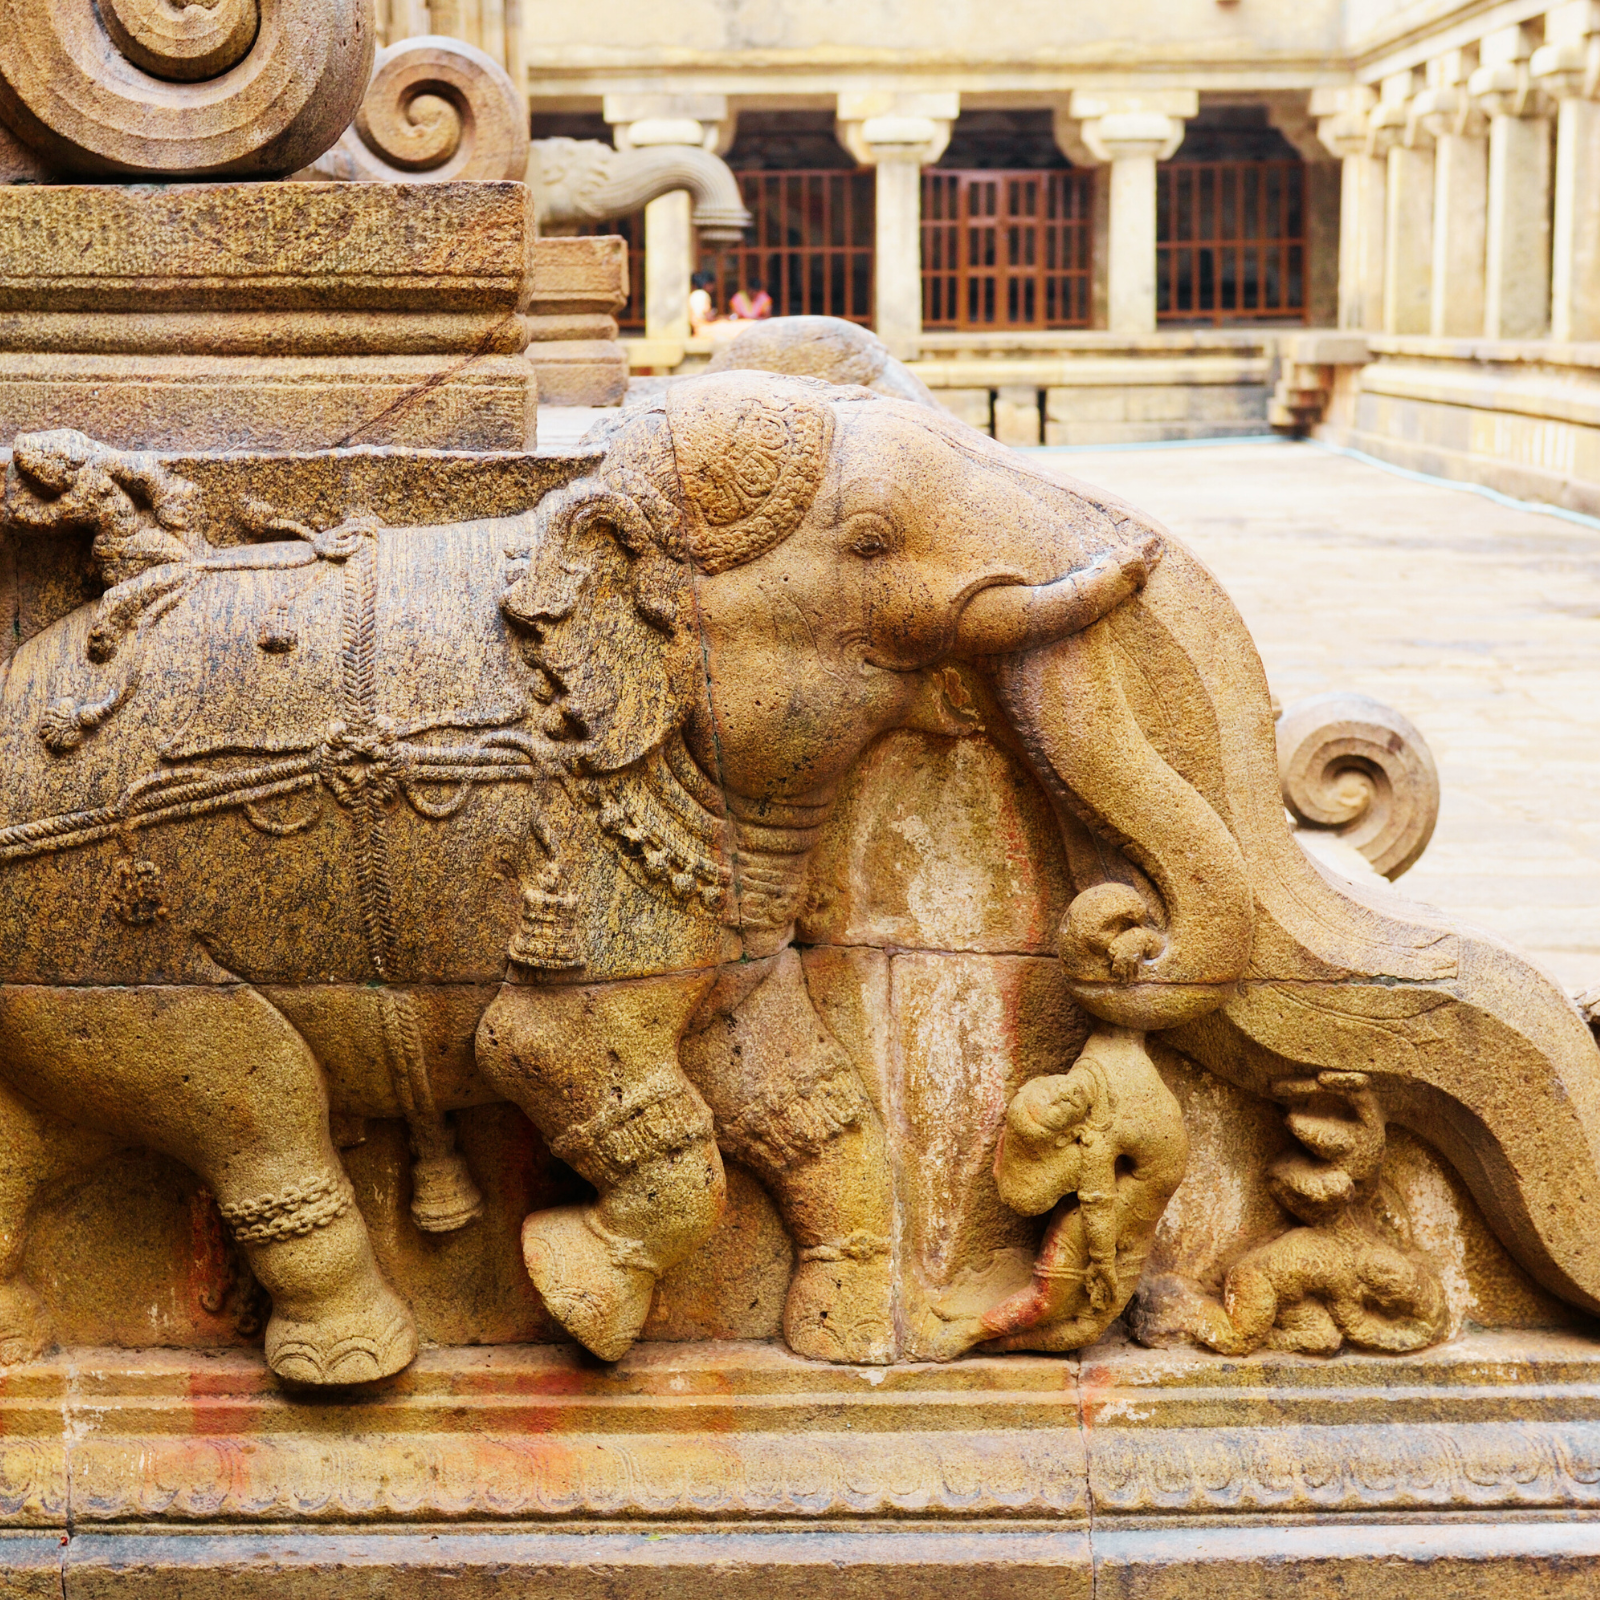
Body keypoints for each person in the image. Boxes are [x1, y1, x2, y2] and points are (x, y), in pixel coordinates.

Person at [688, 270, 718, 336]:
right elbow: (708, 317)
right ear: (706, 284)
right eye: (712, 284)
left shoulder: (693, 295)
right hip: (704, 328)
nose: (714, 287)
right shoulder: (702, 295)